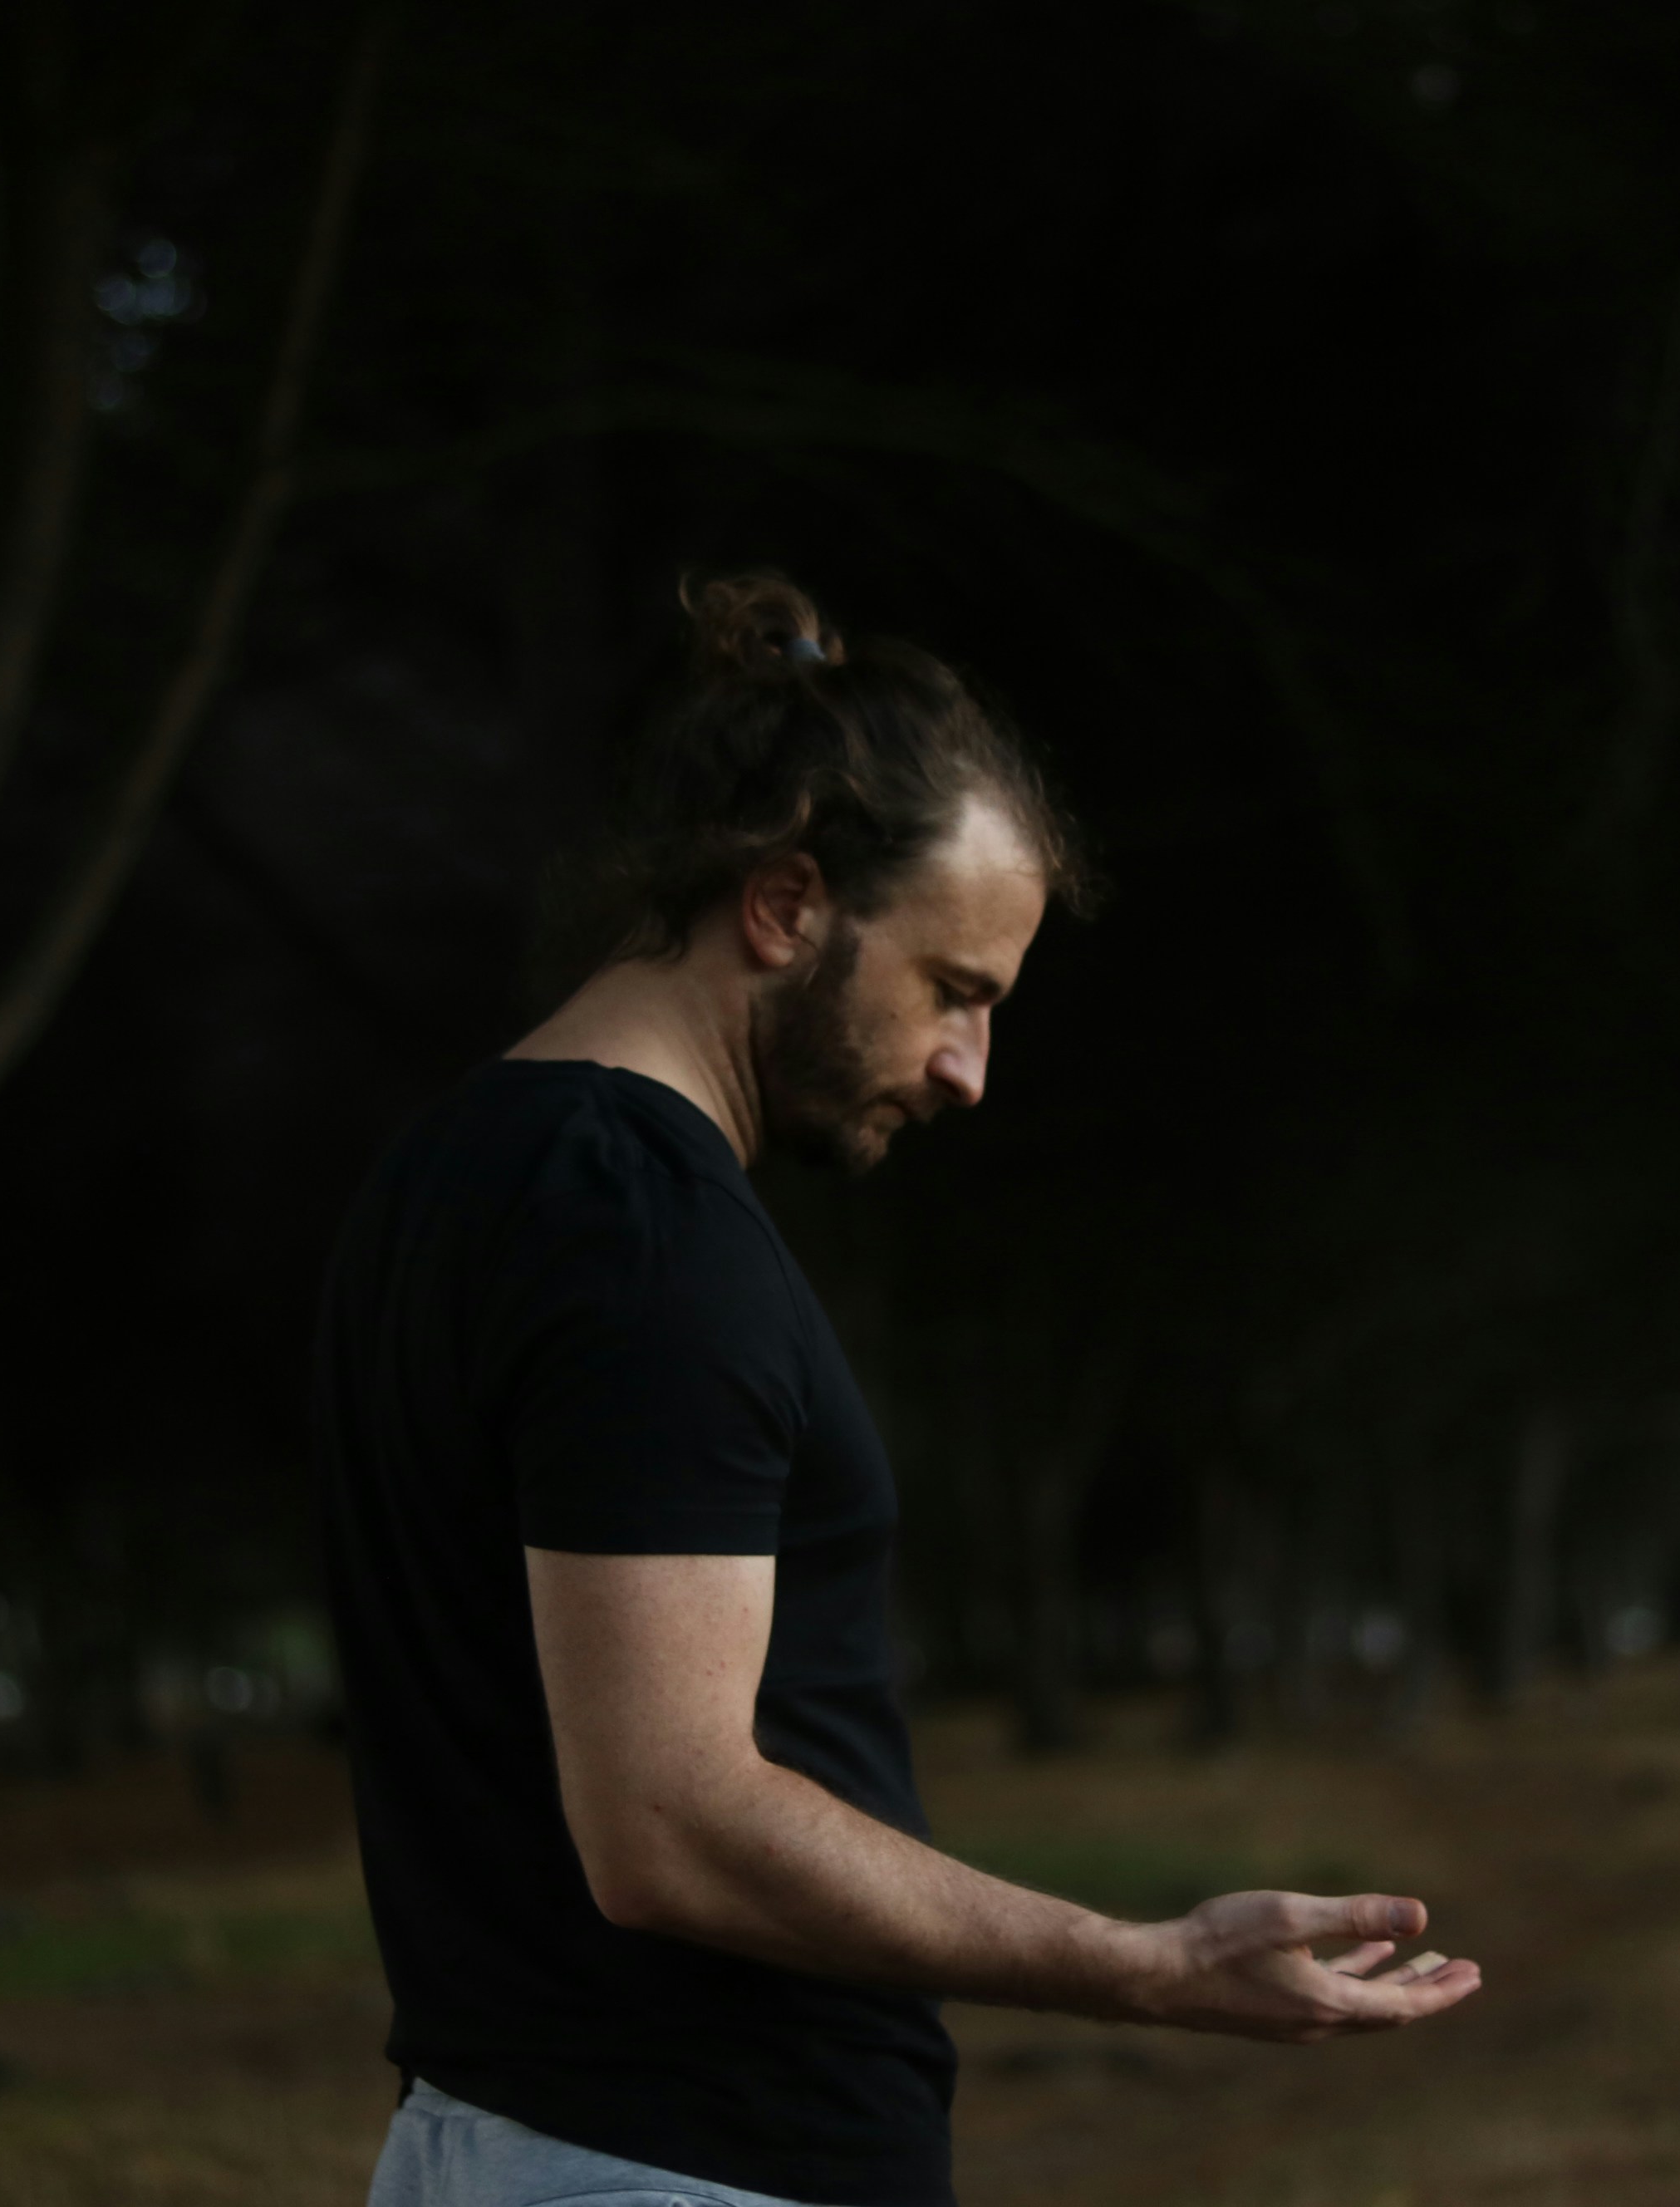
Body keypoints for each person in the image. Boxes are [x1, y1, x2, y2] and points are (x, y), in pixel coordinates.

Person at [315, 573, 1479, 2207]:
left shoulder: (448, 1176)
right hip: (680, 2166)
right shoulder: (649, 1232)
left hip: (499, 2138)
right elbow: (675, 1818)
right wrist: (1142, 1961)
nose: (967, 1070)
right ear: (785, 903)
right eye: (956, 989)